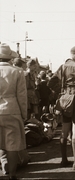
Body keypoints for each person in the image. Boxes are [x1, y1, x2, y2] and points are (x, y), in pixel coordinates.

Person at [49, 45, 75, 170]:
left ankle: (64, 160)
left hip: (65, 98)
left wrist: (62, 92)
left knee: (65, 128)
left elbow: (51, 82)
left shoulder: (62, 66)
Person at [0, 43, 28, 179]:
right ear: (9, 58)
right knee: (12, 143)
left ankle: (3, 167)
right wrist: (24, 114)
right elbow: (22, 95)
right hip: (11, 109)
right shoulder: (17, 71)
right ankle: (12, 174)